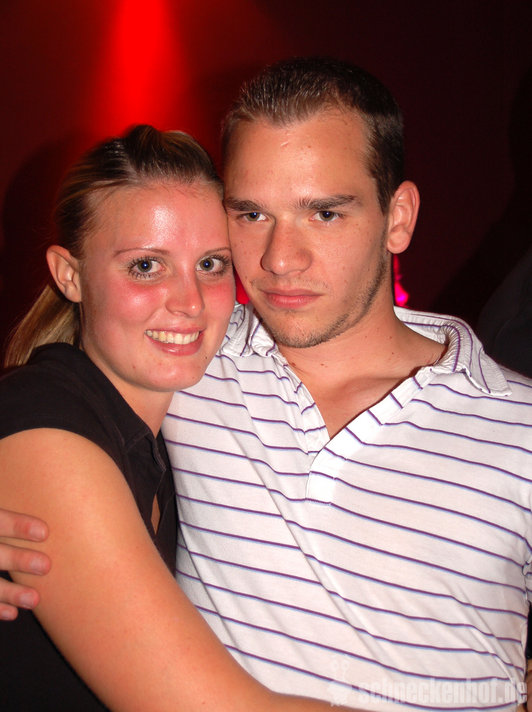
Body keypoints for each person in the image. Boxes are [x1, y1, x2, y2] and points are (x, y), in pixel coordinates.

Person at [2, 57, 532, 710]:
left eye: (324, 213)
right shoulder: (188, 361)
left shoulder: (519, 426)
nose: (281, 259)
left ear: (398, 217)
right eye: (251, 215)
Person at [0, 123, 353, 711]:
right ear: (70, 275)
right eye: (146, 266)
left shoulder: (160, 437)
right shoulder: (48, 427)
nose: (190, 302)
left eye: (211, 264)